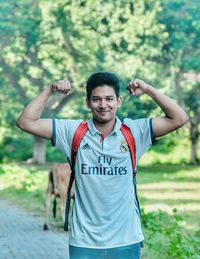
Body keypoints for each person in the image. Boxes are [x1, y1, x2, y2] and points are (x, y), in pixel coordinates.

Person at [17, 72, 188, 259]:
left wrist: (147, 89)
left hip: (126, 240)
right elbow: (25, 122)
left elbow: (179, 118)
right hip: (84, 242)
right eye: (96, 99)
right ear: (87, 103)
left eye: (109, 99)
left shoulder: (135, 131)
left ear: (119, 101)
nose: (103, 105)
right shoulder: (72, 131)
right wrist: (50, 89)